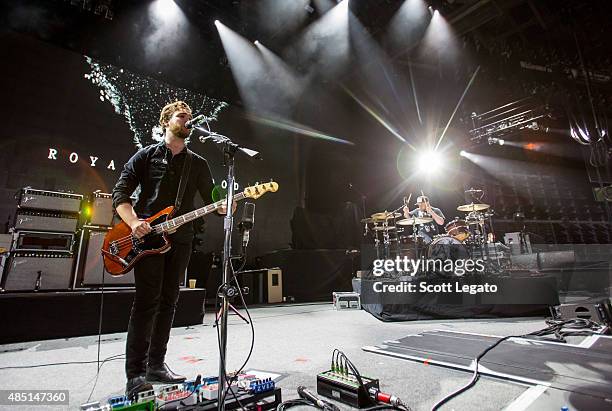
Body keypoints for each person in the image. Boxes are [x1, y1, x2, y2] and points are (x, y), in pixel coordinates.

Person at [112, 101, 220, 399]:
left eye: (189, 117)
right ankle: (135, 373)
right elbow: (120, 193)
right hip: (147, 240)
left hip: (181, 240)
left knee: (169, 302)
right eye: (181, 116)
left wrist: (225, 205)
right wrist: (134, 222)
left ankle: (156, 365)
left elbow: (212, 196)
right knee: (148, 302)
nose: (188, 120)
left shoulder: (197, 163)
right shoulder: (146, 156)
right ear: (166, 122)